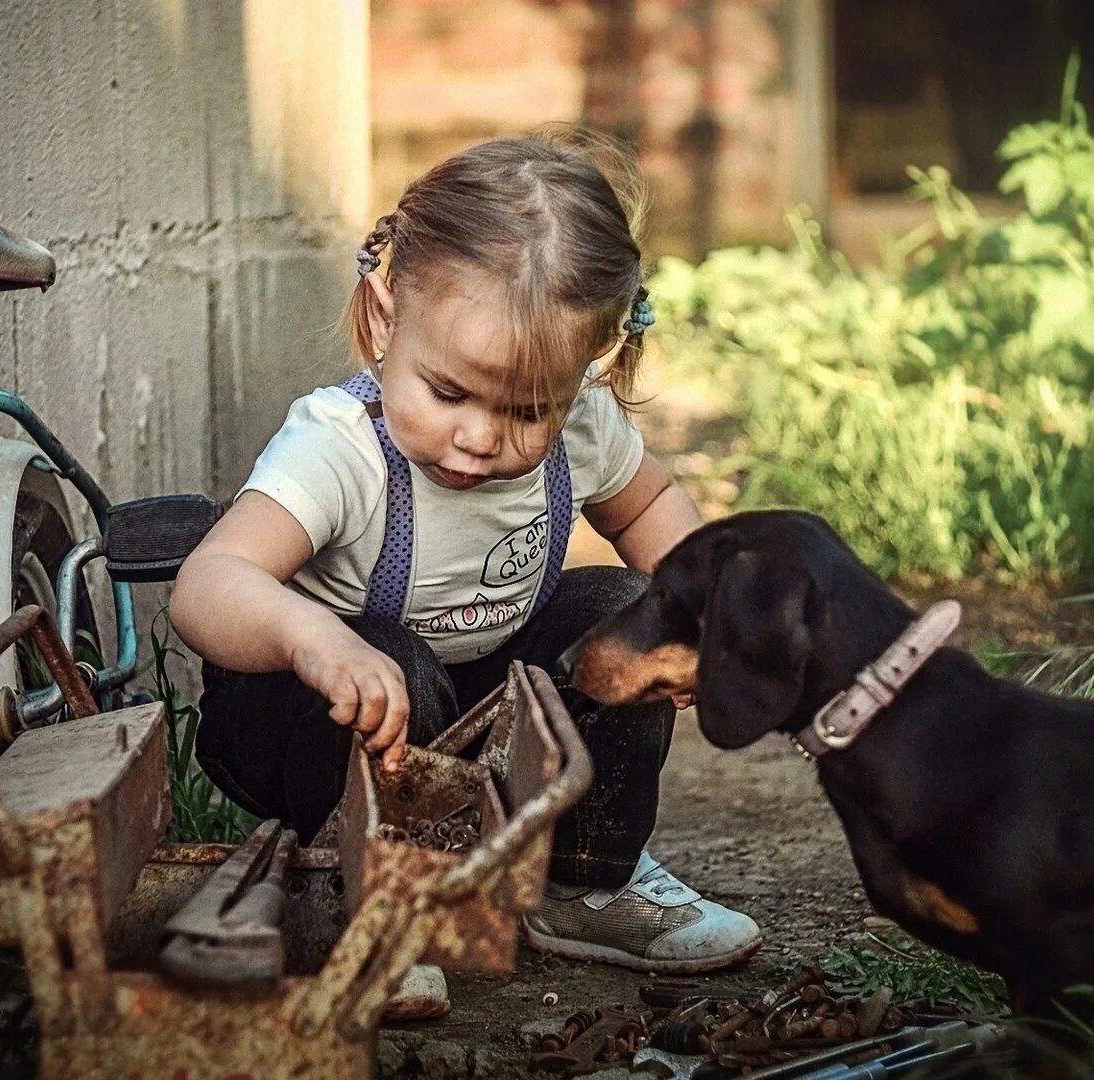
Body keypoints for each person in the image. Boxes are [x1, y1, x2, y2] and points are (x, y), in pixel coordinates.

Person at [167, 127, 761, 1018]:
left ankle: (583, 880)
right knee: (393, 666)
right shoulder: (341, 448)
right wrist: (312, 637)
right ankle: (375, 901)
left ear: (585, 374)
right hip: (305, 720)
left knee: (633, 610)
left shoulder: (582, 428)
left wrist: (703, 616)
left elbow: (644, 508)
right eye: (448, 393)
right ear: (382, 317)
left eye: (528, 410)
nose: (481, 437)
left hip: (474, 702)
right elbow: (206, 586)